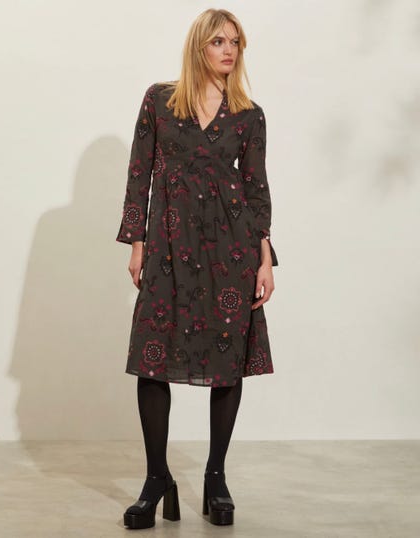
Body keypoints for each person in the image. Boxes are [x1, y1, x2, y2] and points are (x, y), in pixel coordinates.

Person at [116, 8, 279, 529]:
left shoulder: (249, 115)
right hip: (167, 246)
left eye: (236, 42)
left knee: (227, 361)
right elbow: (139, 173)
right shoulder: (160, 101)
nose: (229, 51)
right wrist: (137, 242)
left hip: (231, 252)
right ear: (199, 47)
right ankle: (155, 478)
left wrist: (265, 257)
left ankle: (215, 476)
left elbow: (255, 190)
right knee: (152, 358)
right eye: (218, 42)